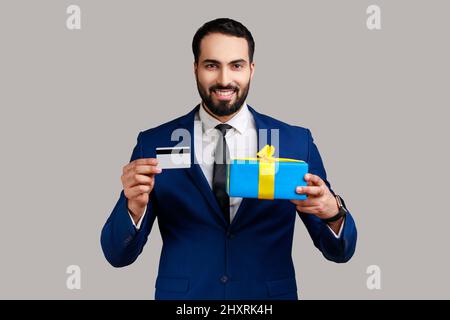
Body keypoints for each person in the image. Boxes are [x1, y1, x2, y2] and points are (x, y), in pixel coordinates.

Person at [101, 18, 357, 300]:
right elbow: (117, 255)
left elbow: (340, 252)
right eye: (212, 65)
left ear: (251, 69)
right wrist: (133, 208)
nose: (224, 79)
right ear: (195, 68)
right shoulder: (154, 143)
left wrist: (333, 212)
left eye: (236, 65)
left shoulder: (294, 142)